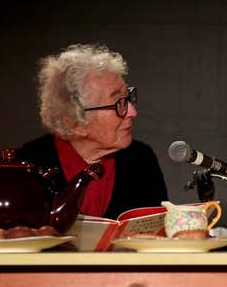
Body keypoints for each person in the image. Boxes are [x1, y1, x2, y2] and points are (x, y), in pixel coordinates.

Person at [16, 43, 168, 219]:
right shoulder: (28, 168)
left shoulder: (141, 160)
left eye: (128, 98)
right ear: (74, 121)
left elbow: (159, 237)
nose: (133, 112)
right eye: (119, 103)